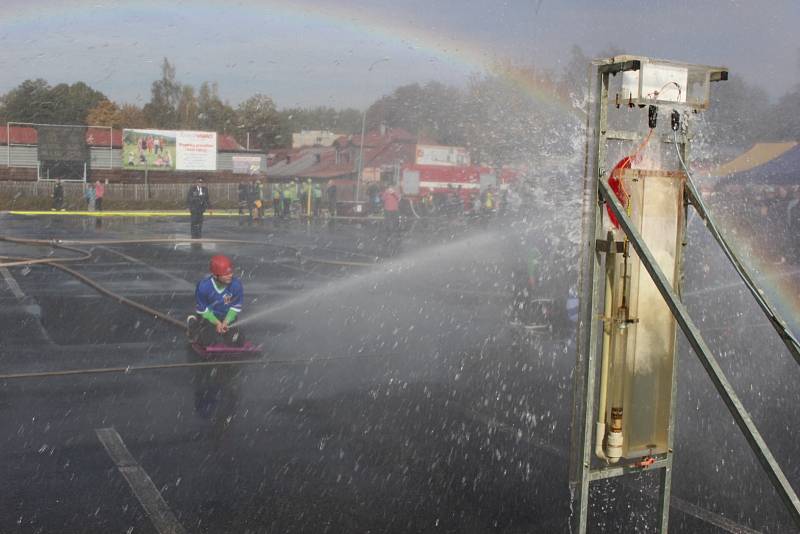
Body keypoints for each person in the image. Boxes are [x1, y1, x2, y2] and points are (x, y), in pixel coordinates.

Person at [187, 255, 244, 347]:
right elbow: (203, 310)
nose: (230, 275)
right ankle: (193, 325)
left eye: (230, 273)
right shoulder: (203, 287)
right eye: (226, 274)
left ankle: (225, 334)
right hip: (209, 316)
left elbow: (235, 307)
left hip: (226, 316)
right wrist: (217, 323)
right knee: (207, 343)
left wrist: (226, 322)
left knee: (237, 342)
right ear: (215, 275)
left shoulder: (236, 285)